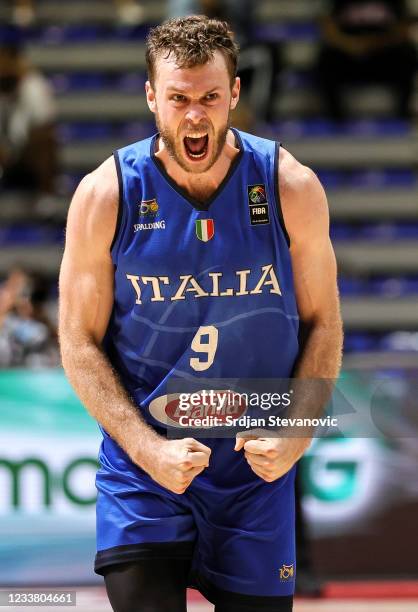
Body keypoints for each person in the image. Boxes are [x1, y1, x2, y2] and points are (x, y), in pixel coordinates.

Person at [59, 15, 343, 612]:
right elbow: (78, 341)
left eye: (210, 97)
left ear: (235, 94)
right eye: (179, 98)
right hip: (147, 460)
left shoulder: (289, 186)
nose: (195, 115)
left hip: (253, 467)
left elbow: (325, 325)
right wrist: (146, 448)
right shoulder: (106, 195)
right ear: (151, 99)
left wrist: (297, 432)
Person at [317, 0, 416, 120]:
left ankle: (402, 114)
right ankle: (335, 117)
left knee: (408, 54)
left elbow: (403, 28)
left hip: (384, 56)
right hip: (348, 56)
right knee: (326, 58)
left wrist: (370, 44)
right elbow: (327, 26)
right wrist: (350, 44)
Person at [0, 26, 57, 196]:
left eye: (4, 56)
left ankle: (46, 200)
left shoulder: (33, 86)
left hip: (24, 162)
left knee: (45, 141)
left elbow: (44, 131)